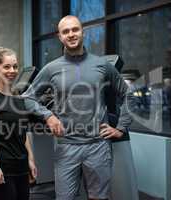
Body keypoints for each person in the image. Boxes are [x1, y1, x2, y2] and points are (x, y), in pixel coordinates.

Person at [23, 15, 133, 200]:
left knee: (98, 197)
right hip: (67, 146)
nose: (71, 34)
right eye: (66, 31)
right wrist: (48, 116)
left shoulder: (102, 65)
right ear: (60, 36)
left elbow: (127, 94)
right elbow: (27, 98)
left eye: (75, 29)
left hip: (98, 145)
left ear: (83, 32)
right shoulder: (51, 68)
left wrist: (121, 128)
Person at [0, 47, 63, 200]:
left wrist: (30, 160)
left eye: (15, 66)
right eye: (7, 66)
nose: (12, 70)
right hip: (4, 169)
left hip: (22, 169)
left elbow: (23, 134)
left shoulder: (20, 100)